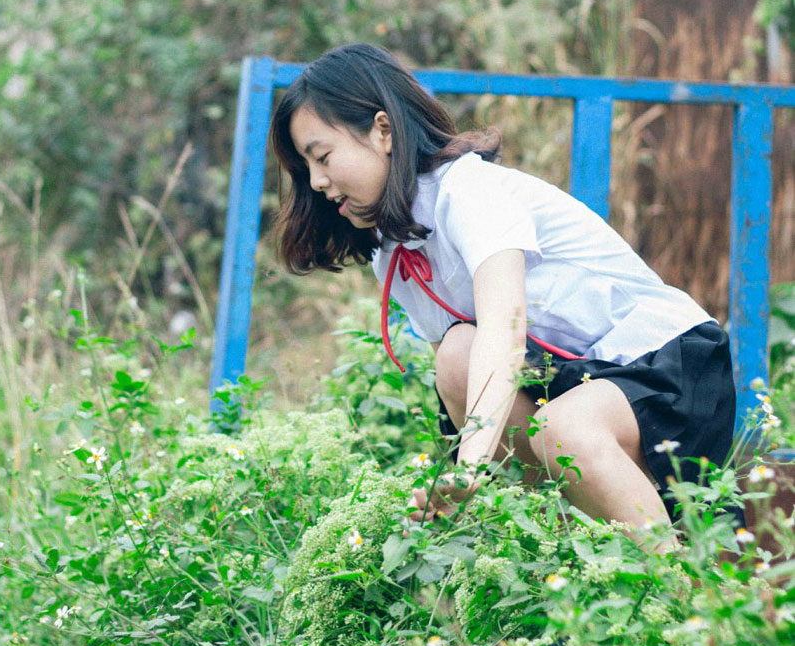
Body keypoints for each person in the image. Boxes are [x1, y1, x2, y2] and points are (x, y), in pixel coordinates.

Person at [269, 43, 738, 547]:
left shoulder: (469, 190)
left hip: (664, 361)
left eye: (322, 157)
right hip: (577, 381)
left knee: (562, 427)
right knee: (455, 357)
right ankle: (558, 558)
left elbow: (504, 333)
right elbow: (461, 382)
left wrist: (468, 471)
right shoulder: (394, 251)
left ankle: (679, 598)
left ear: (382, 131)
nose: (317, 183)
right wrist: (463, 472)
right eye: (307, 168)